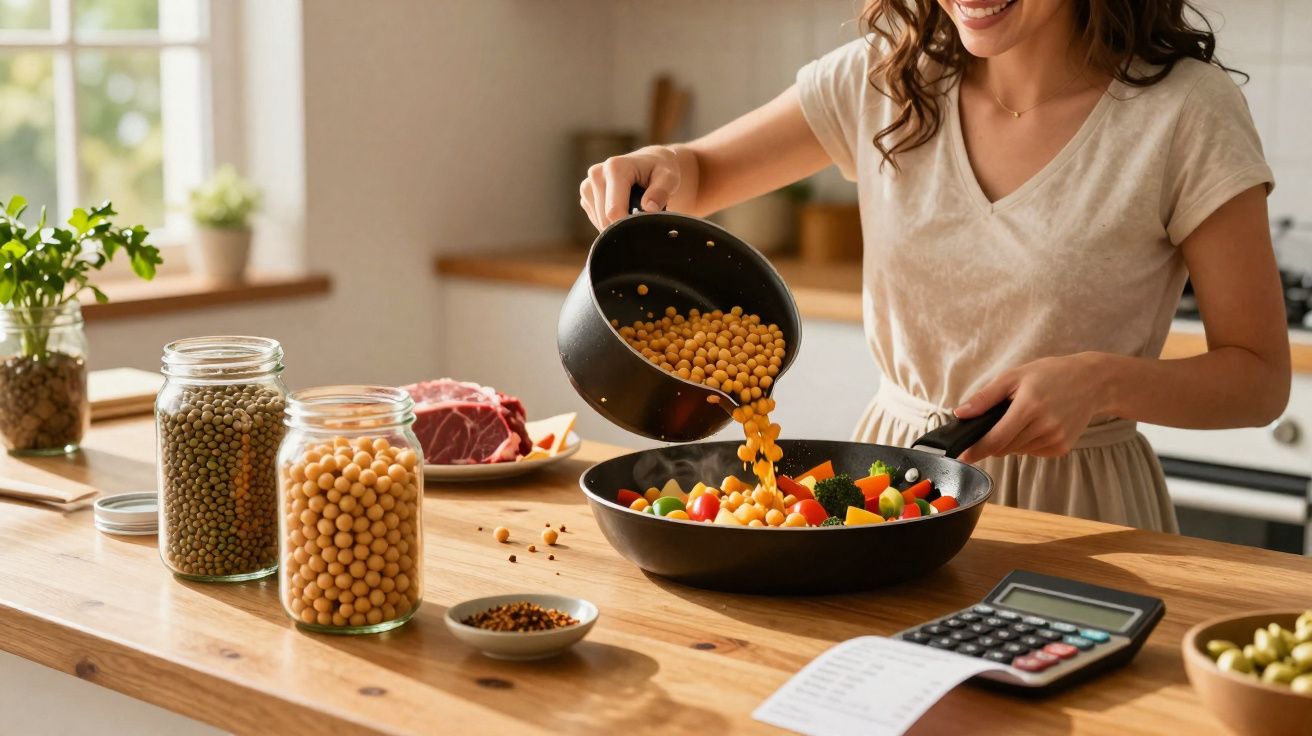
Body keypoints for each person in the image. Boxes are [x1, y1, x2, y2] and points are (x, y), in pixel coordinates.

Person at [577, 0, 1290, 532]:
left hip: (1081, 512)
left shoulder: (1187, 112)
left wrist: (1101, 383)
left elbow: (1258, 379)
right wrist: (658, 164)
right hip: (895, 487)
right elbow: (699, 171)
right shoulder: (882, 78)